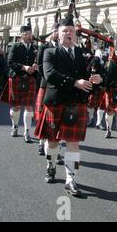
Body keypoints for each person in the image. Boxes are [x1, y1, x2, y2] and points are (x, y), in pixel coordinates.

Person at [34, 15, 103, 197]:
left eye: (71, 31)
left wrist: (97, 78)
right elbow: (50, 74)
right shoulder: (50, 52)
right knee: (53, 141)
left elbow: (89, 75)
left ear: (75, 34)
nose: (68, 34)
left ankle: (71, 179)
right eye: (65, 31)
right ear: (58, 33)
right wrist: (74, 82)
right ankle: (51, 166)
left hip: (75, 104)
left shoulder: (82, 54)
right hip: (56, 102)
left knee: (73, 143)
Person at [0, 24, 38, 143]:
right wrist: (23, 68)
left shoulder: (35, 48)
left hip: (30, 79)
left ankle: (27, 132)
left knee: (29, 106)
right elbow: (10, 62)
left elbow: (40, 63)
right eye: (28, 34)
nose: (31, 36)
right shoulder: (15, 46)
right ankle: (15, 126)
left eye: (31, 34)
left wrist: (36, 67)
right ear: (23, 35)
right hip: (17, 78)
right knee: (16, 106)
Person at [34, 22, 59, 156]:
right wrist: (50, 78)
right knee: (42, 114)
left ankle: (56, 148)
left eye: (58, 30)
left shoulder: (63, 47)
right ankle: (41, 142)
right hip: (46, 83)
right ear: (52, 31)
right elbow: (39, 65)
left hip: (59, 88)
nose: (56, 33)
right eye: (55, 30)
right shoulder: (44, 46)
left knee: (56, 120)